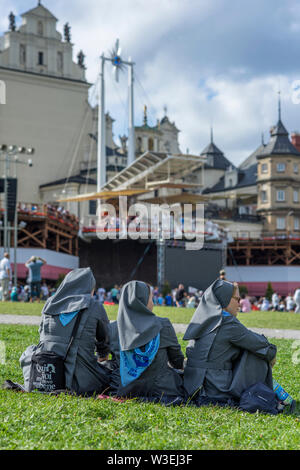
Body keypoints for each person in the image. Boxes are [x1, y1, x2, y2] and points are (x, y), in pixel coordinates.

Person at [183, 279, 295, 412]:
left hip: (192, 387)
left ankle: (276, 391)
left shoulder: (203, 319)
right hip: (216, 390)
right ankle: (274, 393)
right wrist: (271, 353)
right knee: (259, 351)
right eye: (236, 299)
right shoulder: (226, 322)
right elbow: (258, 343)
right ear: (224, 299)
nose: (240, 304)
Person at [20, 268, 111, 395]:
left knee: (29, 351)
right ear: (90, 288)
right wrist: (102, 356)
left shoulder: (50, 302)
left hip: (45, 374)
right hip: (80, 380)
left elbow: (42, 334)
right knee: (110, 370)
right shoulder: (94, 306)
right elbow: (105, 340)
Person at [116, 280, 185, 404]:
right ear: (143, 302)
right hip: (163, 390)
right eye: (151, 298)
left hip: (127, 390)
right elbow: (177, 361)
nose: (152, 303)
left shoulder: (114, 329)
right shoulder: (163, 325)